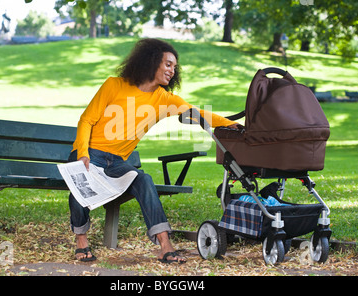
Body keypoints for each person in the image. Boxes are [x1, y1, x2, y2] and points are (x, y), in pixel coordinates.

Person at [68, 38, 239, 263]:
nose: (172, 71)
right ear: (151, 62)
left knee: (144, 180)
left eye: (174, 67)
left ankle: (165, 246)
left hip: (117, 162)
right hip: (90, 153)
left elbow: (197, 113)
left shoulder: (163, 99)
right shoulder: (114, 85)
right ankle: (81, 239)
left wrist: (228, 123)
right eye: (168, 64)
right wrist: (83, 154)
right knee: (81, 182)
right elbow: (86, 120)